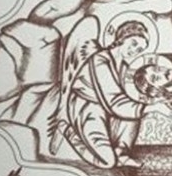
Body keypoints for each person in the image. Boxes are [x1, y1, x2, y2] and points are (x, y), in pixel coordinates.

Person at [56, 19, 165, 168]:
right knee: (107, 161)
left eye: (139, 49)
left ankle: (121, 153)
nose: (134, 50)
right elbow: (114, 100)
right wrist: (151, 107)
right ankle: (68, 131)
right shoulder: (99, 60)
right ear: (122, 38)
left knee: (134, 109)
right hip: (88, 107)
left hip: (110, 111)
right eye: (133, 43)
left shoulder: (125, 67)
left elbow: (129, 96)